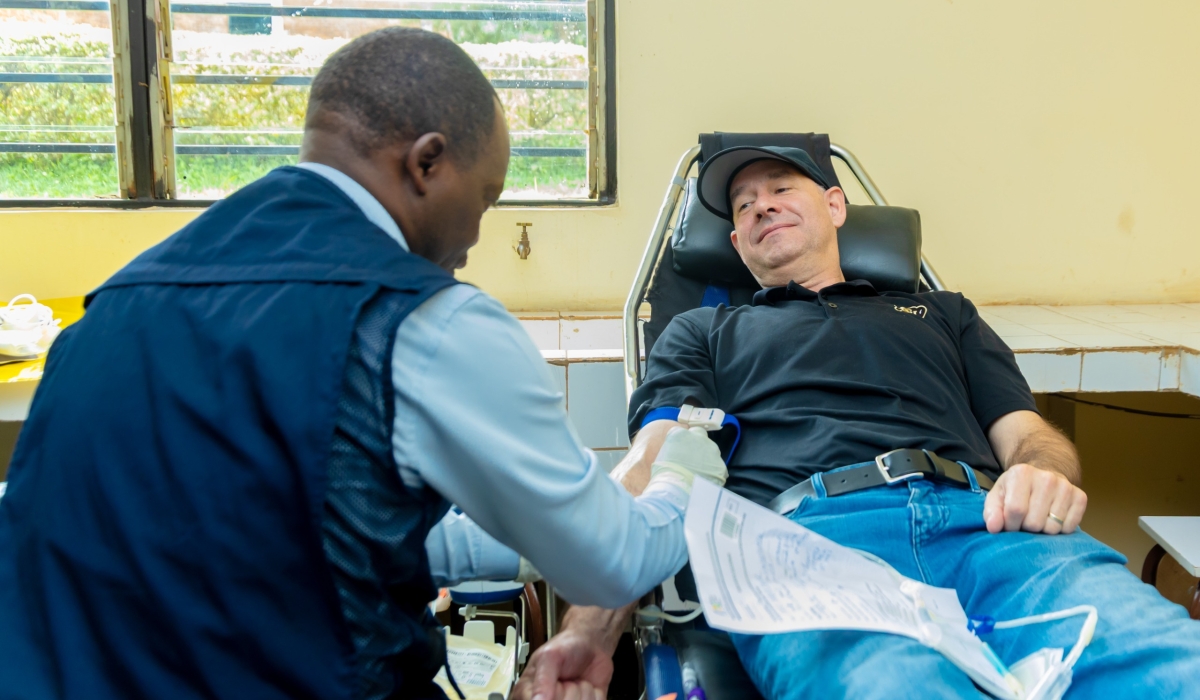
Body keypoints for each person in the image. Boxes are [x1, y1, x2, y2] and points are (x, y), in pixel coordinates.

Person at [0, 28, 725, 700]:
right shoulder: (426, 324)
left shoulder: (115, 302)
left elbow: (269, 533)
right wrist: (681, 475)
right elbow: (614, 564)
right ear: (427, 162)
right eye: (486, 197)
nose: (476, 235)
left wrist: (519, 541)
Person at [513, 146, 1200, 700]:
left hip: (990, 530)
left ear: (837, 205)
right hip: (808, 549)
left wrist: (1042, 475)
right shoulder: (703, 331)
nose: (762, 206)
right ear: (735, 242)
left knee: (1167, 662)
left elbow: (1028, 436)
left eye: (781, 187)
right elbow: (658, 464)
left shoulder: (943, 315)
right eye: (745, 206)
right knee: (889, 687)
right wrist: (593, 624)